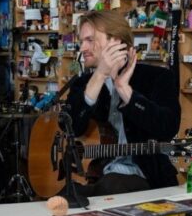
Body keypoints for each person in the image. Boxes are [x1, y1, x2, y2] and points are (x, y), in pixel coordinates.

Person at [66, 10, 180, 196]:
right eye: (81, 41)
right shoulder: (82, 84)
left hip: (144, 177)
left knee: (112, 186)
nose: (82, 48)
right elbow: (71, 128)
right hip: (92, 174)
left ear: (116, 41)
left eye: (90, 40)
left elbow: (167, 128)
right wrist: (99, 75)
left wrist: (124, 89)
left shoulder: (158, 78)